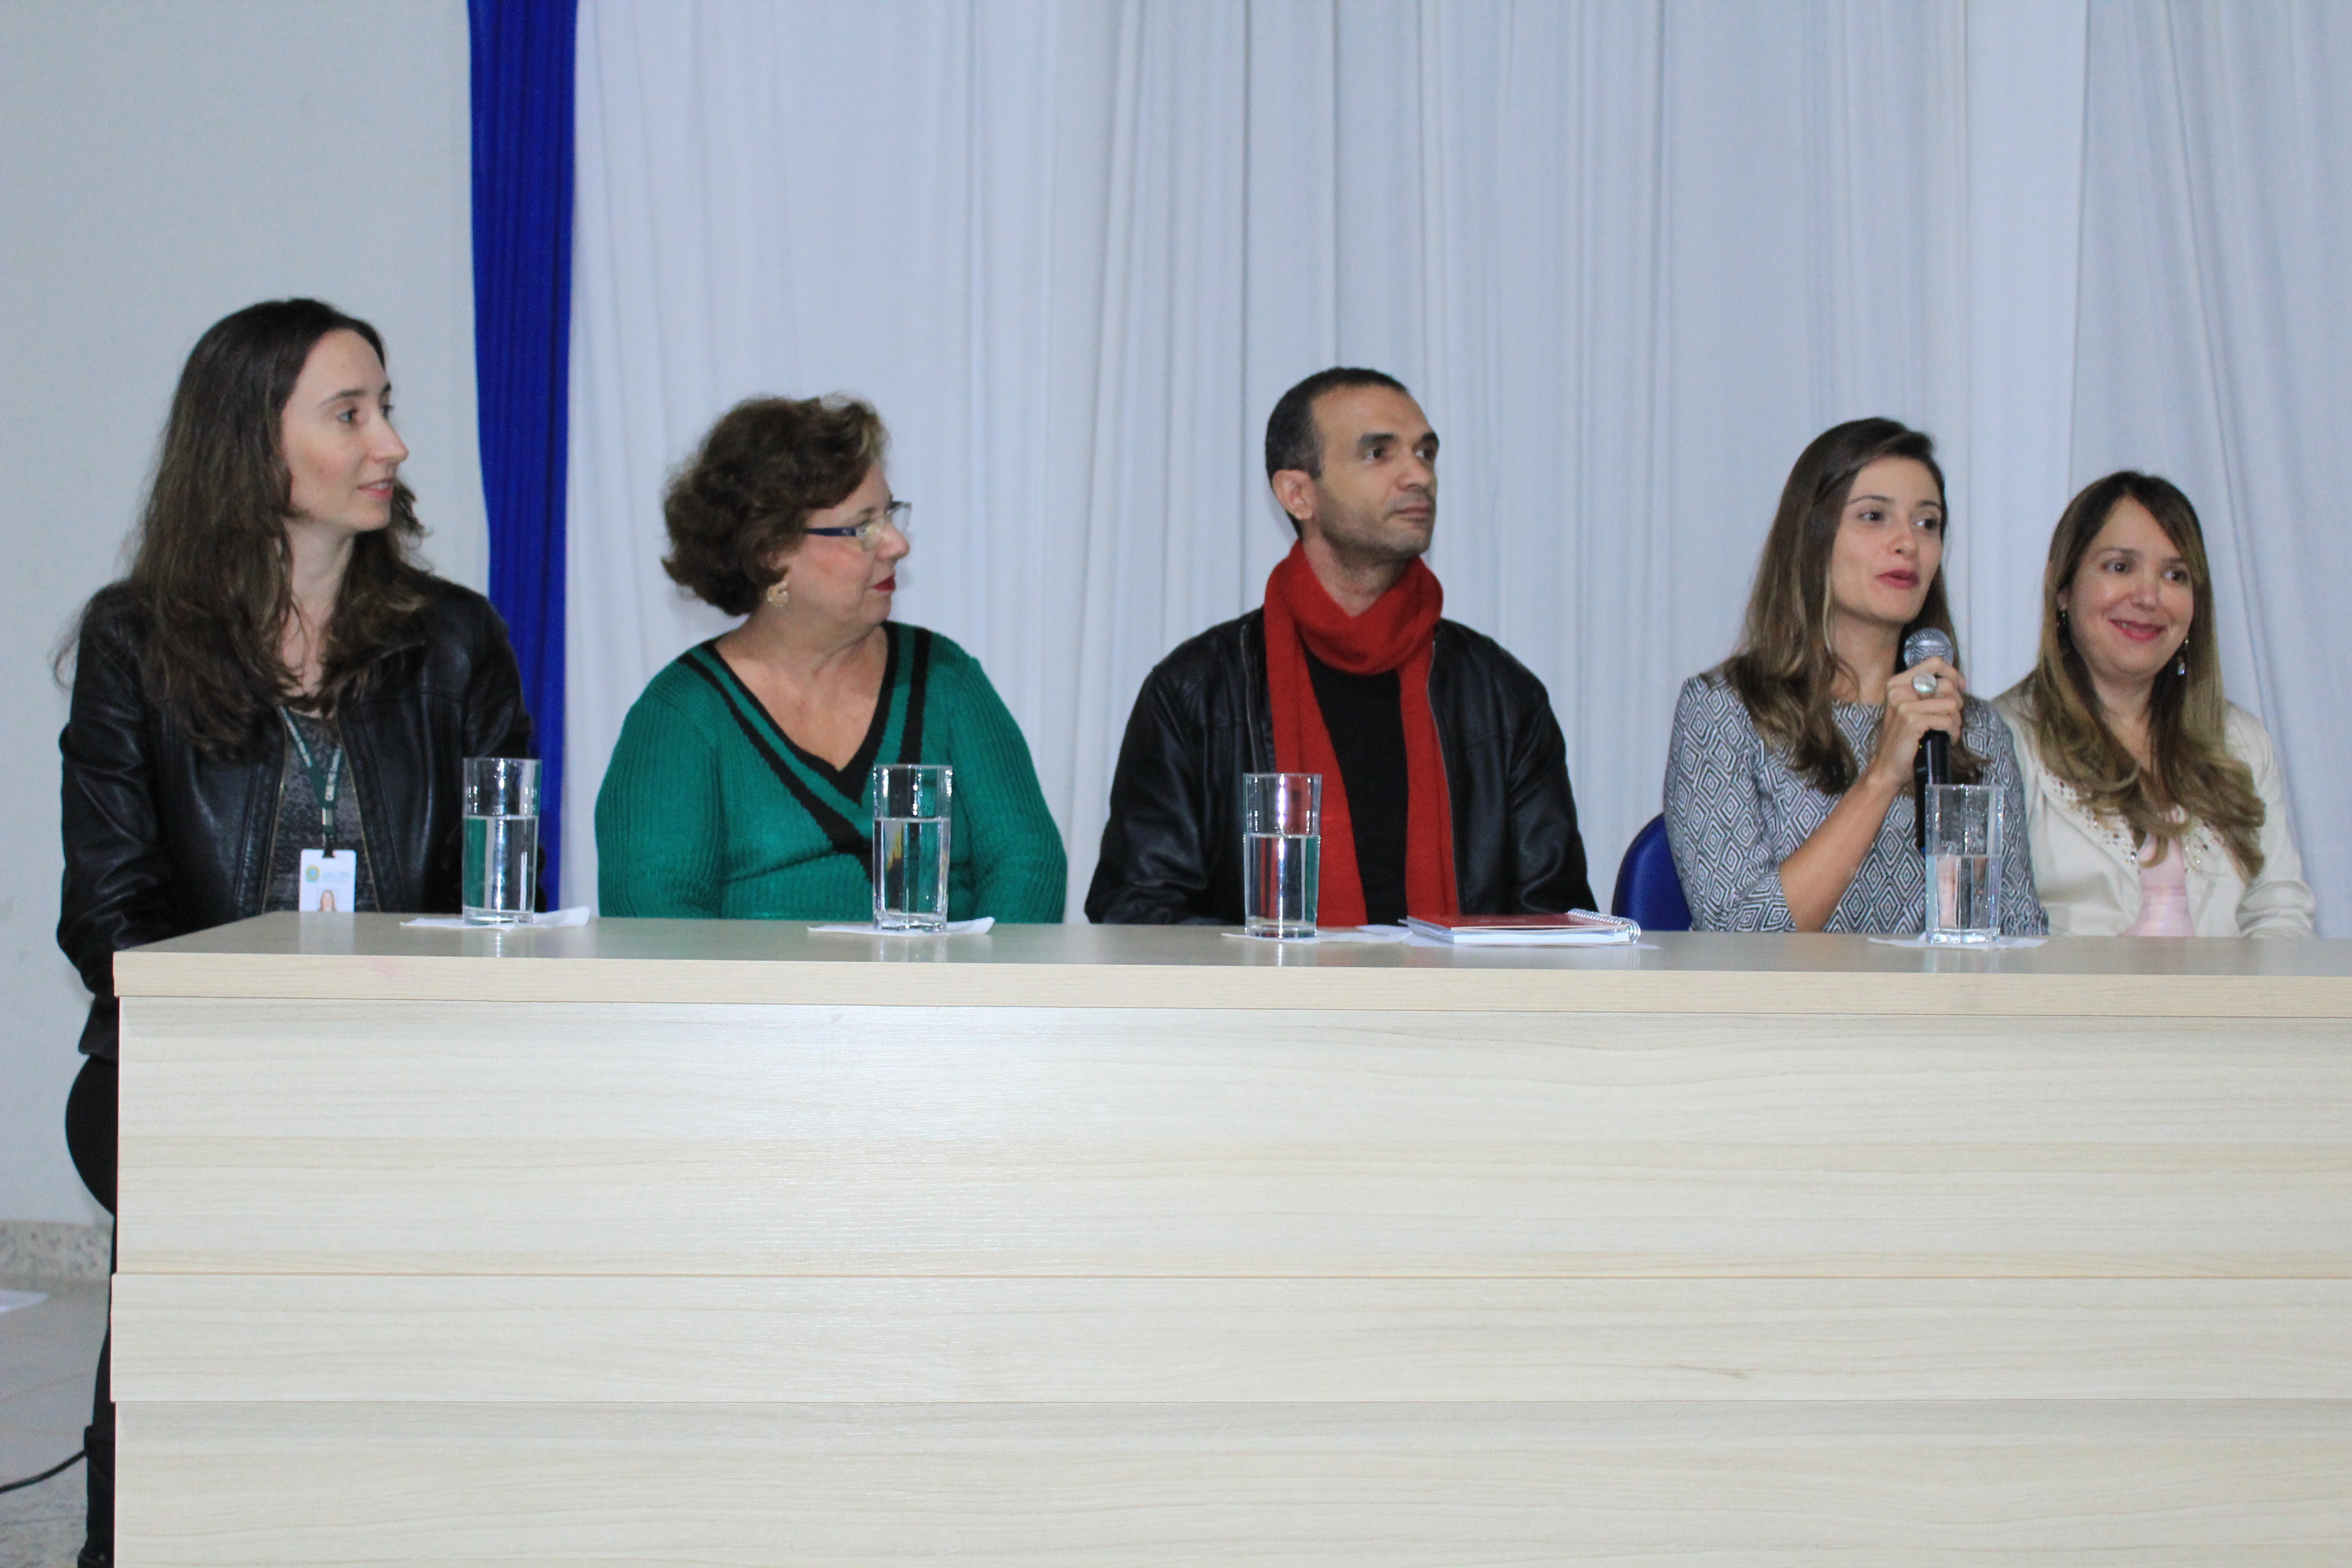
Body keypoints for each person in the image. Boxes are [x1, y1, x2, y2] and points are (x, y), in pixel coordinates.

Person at [56, 299, 536, 1567]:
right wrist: (257, 1041)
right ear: (249, 444)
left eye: (386, 407)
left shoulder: (454, 639)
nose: (391, 443)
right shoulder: (135, 641)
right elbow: (106, 911)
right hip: (188, 1073)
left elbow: (506, 898)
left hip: (414, 1066)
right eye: (350, 412)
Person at [1088, 367, 1592, 925]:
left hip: (1459, 1010)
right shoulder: (1194, 692)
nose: (1417, 476)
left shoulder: (1501, 695)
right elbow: (1138, 911)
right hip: (1265, 1008)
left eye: (1425, 453)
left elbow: (1555, 919)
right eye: (1379, 454)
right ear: (1298, 493)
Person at [595, 395, 1066, 921]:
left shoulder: (944, 679)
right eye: (863, 527)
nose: (896, 544)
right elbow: (658, 933)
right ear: (772, 551)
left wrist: (968, 996)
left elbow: (1029, 863)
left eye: (889, 515)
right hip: (754, 1005)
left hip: (945, 1000)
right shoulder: (681, 717)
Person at [1663, 417, 2043, 934]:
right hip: (1783, 1014)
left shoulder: (1970, 728)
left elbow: (2015, 932)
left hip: (1932, 1013)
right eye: (1874, 517)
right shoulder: (1726, 710)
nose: (1908, 543)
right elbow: (1739, 932)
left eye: (1927, 523)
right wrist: (1882, 777)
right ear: (1813, 538)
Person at [1993, 473, 2313, 935]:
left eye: (2175, 575)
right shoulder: (2004, 737)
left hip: (2224, 1007)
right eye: (2120, 567)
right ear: (2062, 587)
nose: (2149, 597)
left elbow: (2279, 913)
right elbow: (1992, 932)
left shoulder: (2240, 741)